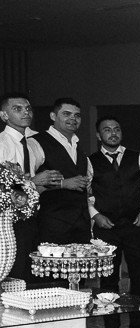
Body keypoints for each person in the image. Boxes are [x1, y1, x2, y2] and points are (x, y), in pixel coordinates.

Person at [89, 116, 140, 328]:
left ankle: (138, 325)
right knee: (108, 280)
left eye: (117, 129)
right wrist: (95, 215)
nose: (113, 133)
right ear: (99, 135)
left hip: (136, 225)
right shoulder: (90, 161)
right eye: (107, 130)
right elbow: (85, 193)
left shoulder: (138, 157)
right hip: (106, 228)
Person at [0, 93, 57, 281]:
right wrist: (33, 181)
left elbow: (34, 182)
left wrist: (44, 185)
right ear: (4, 115)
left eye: (28, 108)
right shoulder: (2, 144)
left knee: (29, 272)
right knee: (12, 272)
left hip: (31, 217)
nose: (26, 112)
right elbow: (3, 186)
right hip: (7, 220)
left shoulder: (33, 145)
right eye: (17, 109)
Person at [35, 98, 93, 245]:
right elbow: (28, 183)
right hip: (53, 224)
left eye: (77, 115)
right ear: (53, 116)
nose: (73, 119)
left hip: (81, 225)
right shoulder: (36, 142)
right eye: (66, 114)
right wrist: (63, 184)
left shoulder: (78, 146)